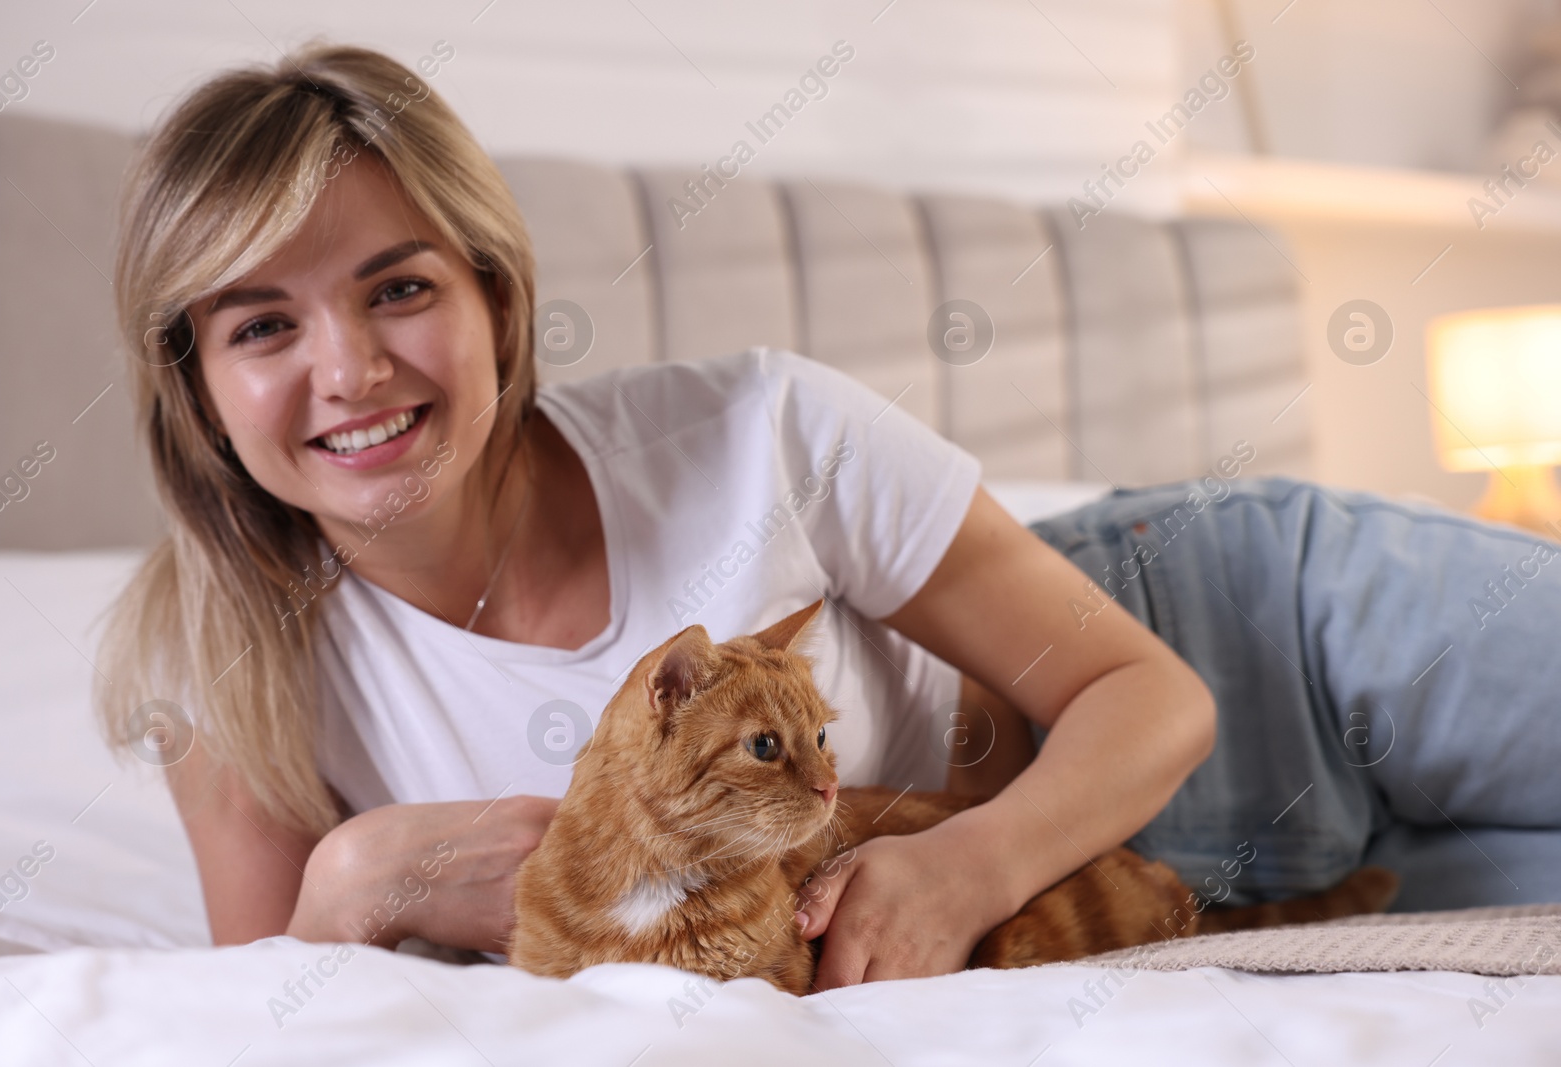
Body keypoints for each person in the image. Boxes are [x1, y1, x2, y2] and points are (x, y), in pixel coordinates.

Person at [96, 43, 1554, 995]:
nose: (349, 370)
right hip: (1177, 907)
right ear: (197, 380)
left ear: (494, 294)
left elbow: (1145, 690)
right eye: (260, 324)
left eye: (401, 287)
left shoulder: (756, 433)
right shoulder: (218, 658)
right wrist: (355, 881)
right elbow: (263, 1009)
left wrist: (968, 864)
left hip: (1247, 635)